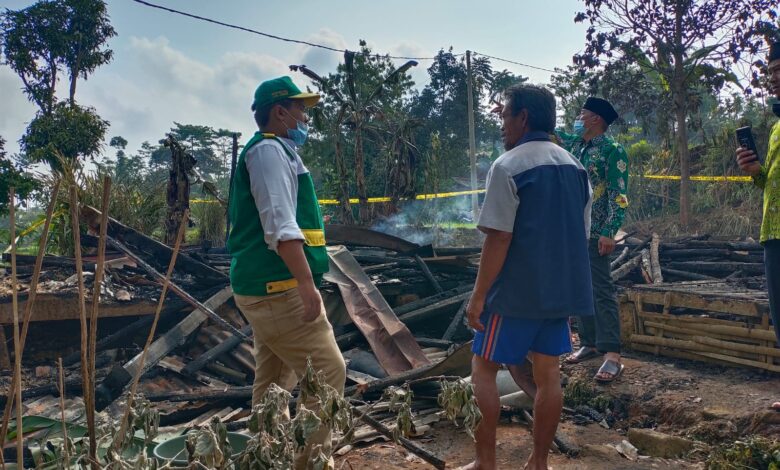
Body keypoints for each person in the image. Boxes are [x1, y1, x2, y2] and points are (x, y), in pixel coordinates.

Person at [462, 84, 594, 470]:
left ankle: (486, 462)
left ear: (523, 118)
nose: (501, 125)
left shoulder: (508, 166)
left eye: (505, 115)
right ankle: (539, 463)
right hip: (559, 291)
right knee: (548, 374)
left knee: (483, 368)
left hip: (515, 292)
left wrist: (479, 295)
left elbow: (499, 237)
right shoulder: (576, 167)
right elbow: (579, 235)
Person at [227, 76, 346, 468]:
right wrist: (307, 284)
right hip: (278, 288)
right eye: (301, 110)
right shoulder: (268, 153)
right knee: (328, 372)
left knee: (275, 379)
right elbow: (280, 226)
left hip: (266, 285)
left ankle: (267, 455)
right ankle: (307, 462)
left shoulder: (276, 151)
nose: (305, 117)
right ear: (280, 112)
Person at [558, 97, 629, 383]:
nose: (577, 118)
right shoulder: (576, 146)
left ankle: (612, 354)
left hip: (597, 231)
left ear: (595, 119)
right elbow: (553, 134)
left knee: (601, 289)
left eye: (582, 114)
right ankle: (588, 341)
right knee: (579, 287)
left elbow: (619, 195)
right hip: (573, 230)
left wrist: (609, 231)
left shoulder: (613, 151)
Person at [735, 40, 780, 412]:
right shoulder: (778, 127)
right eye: (773, 74)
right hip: (773, 231)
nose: (776, 80)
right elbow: (770, 182)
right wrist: (755, 172)